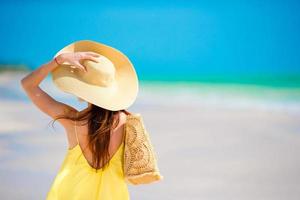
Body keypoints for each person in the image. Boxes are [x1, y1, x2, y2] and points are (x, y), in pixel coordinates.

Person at [20, 40, 139, 199]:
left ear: (82, 88)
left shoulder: (73, 120)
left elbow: (28, 84)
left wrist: (59, 61)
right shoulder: (128, 121)